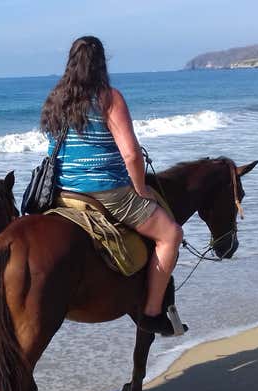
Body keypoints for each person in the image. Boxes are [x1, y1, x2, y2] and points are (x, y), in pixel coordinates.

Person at [40, 36, 184, 335]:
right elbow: (131, 154)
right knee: (171, 234)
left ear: (70, 62)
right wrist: (141, 189)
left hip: (64, 192)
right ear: (101, 63)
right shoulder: (108, 98)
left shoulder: (56, 98)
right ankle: (153, 311)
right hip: (107, 192)